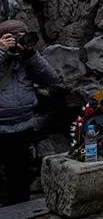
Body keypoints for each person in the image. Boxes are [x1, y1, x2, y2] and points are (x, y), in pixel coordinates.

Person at [0, 20, 59, 206]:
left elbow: (52, 78)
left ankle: (20, 211)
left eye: (22, 36)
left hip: (22, 127)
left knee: (19, 177)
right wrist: (1, 52)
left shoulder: (27, 59)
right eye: (14, 37)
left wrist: (31, 54)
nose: (19, 41)